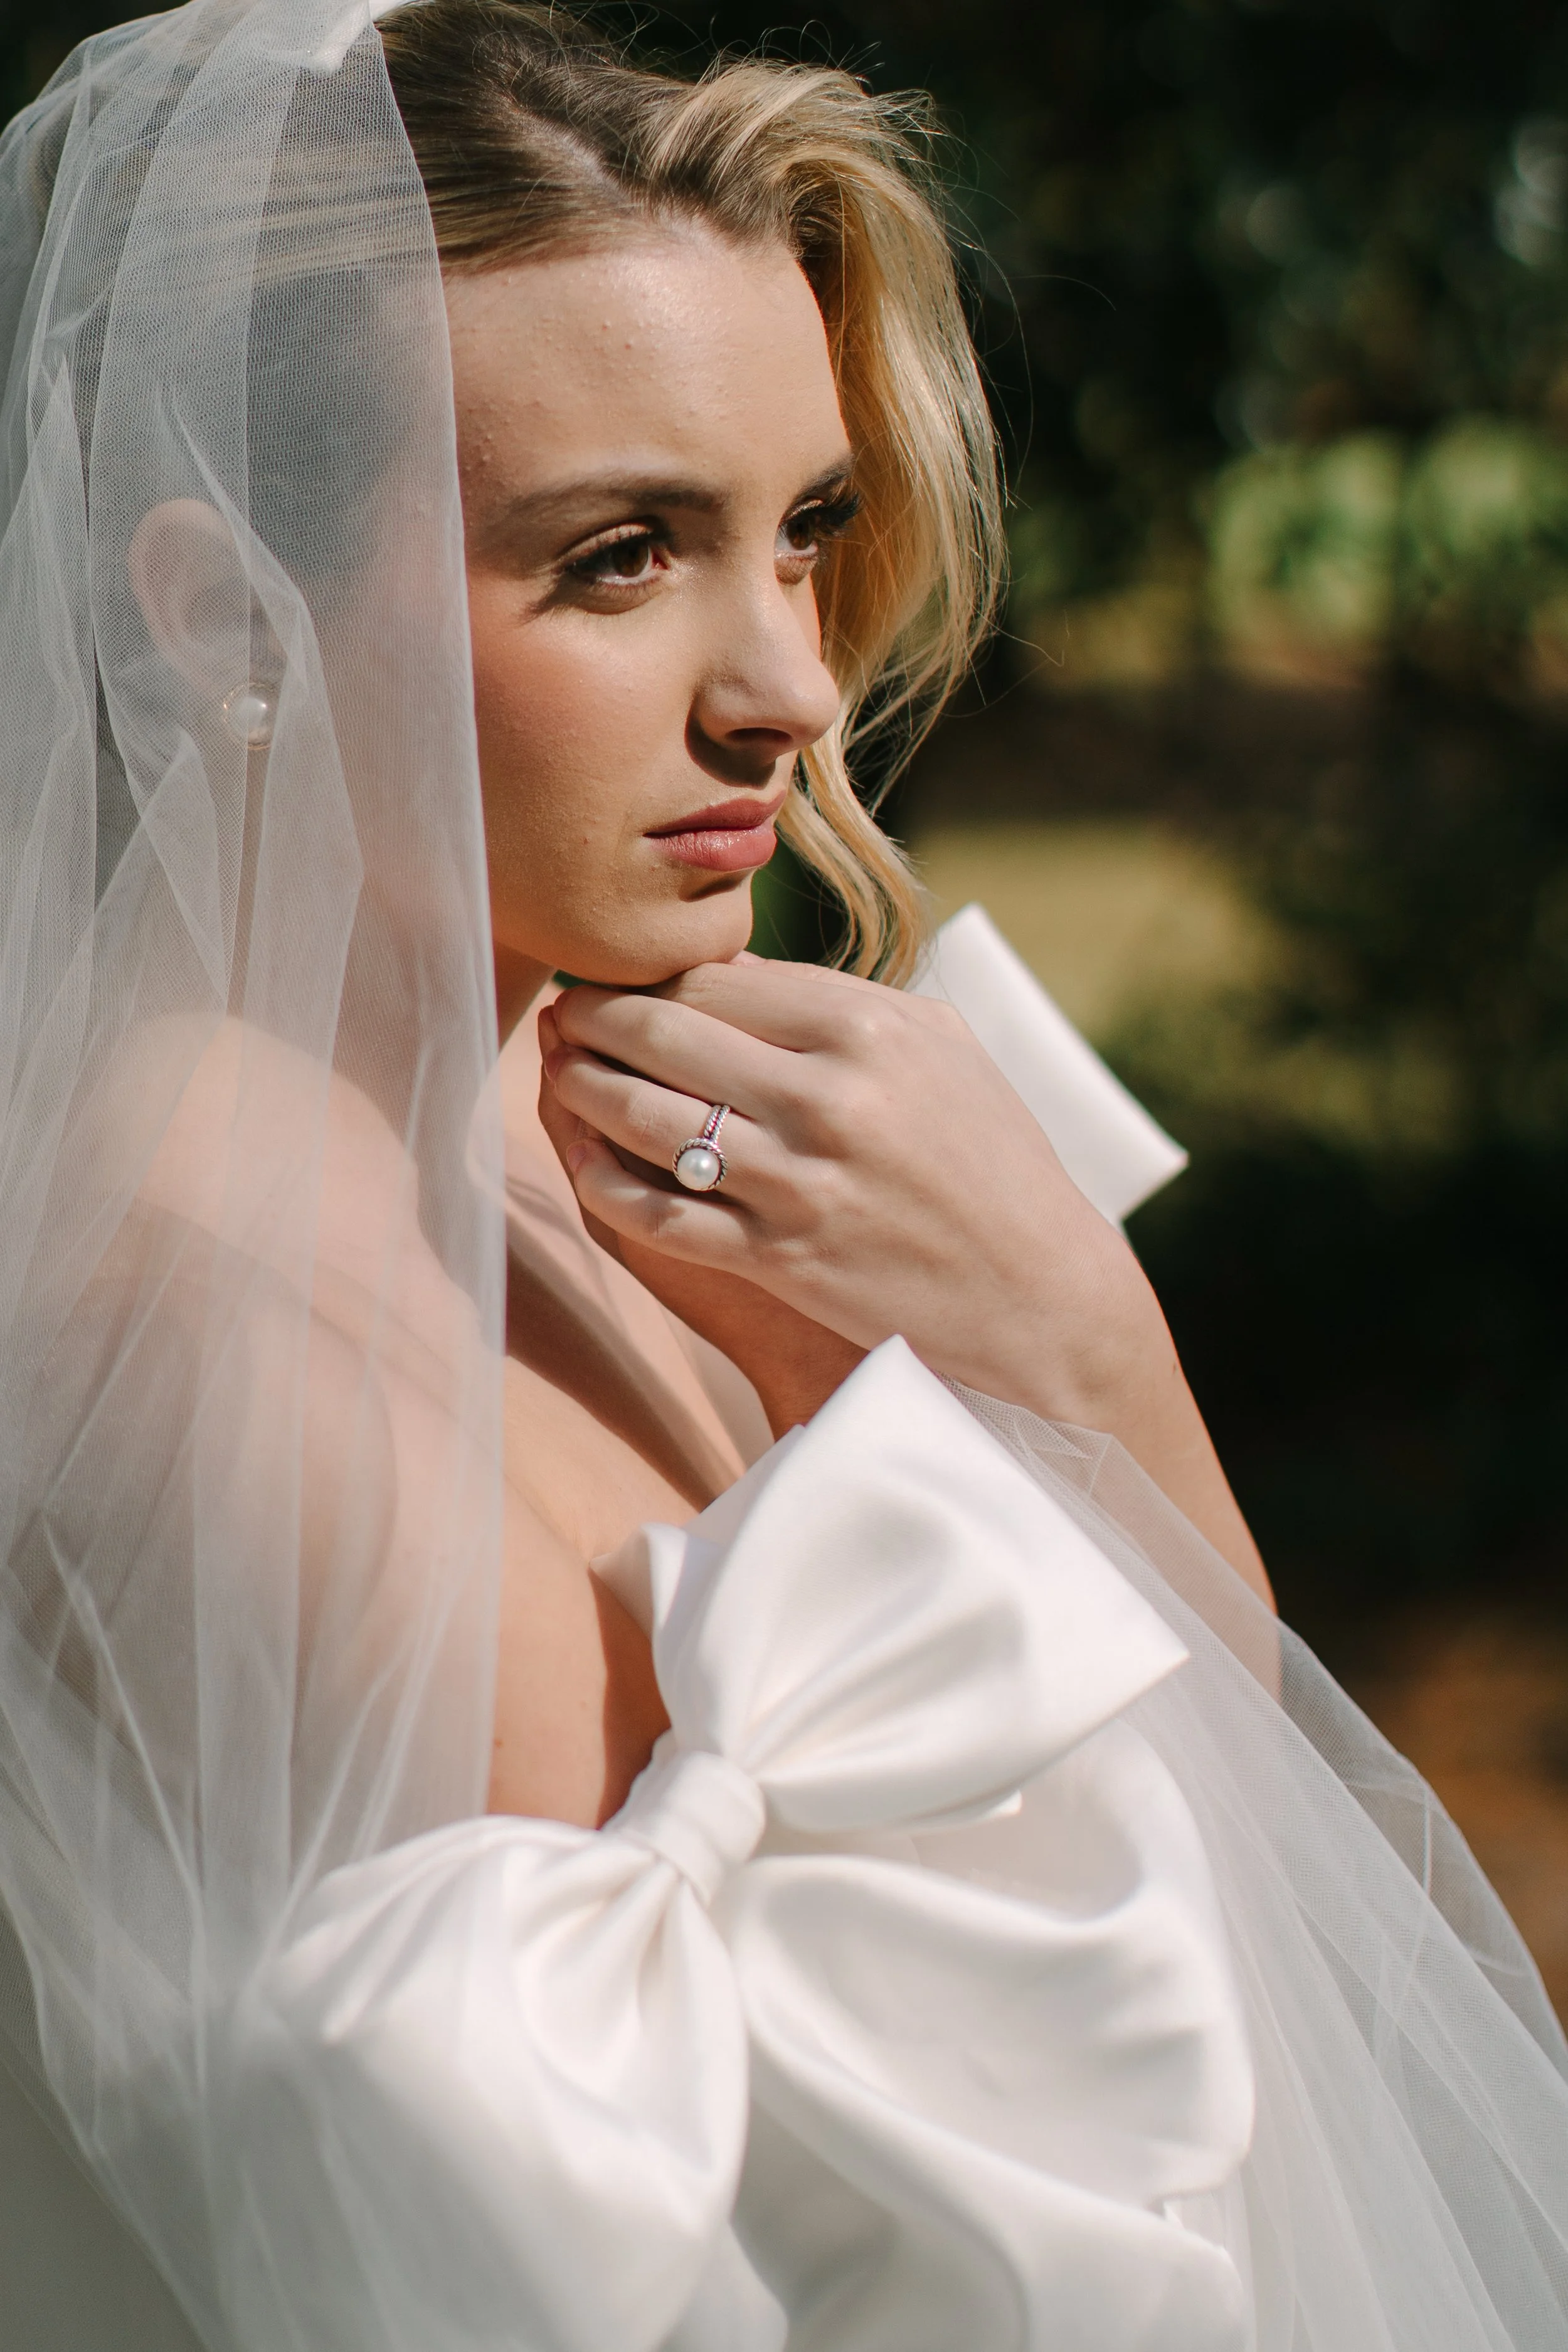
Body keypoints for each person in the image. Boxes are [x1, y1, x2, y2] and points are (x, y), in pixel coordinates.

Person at [0, 3, 1562, 2347]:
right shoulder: (224, 1340)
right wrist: (1067, 1364)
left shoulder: (610, 1143)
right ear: (222, 614)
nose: (791, 692)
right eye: (620, 556)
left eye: (806, 531)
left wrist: (1047, 1342)